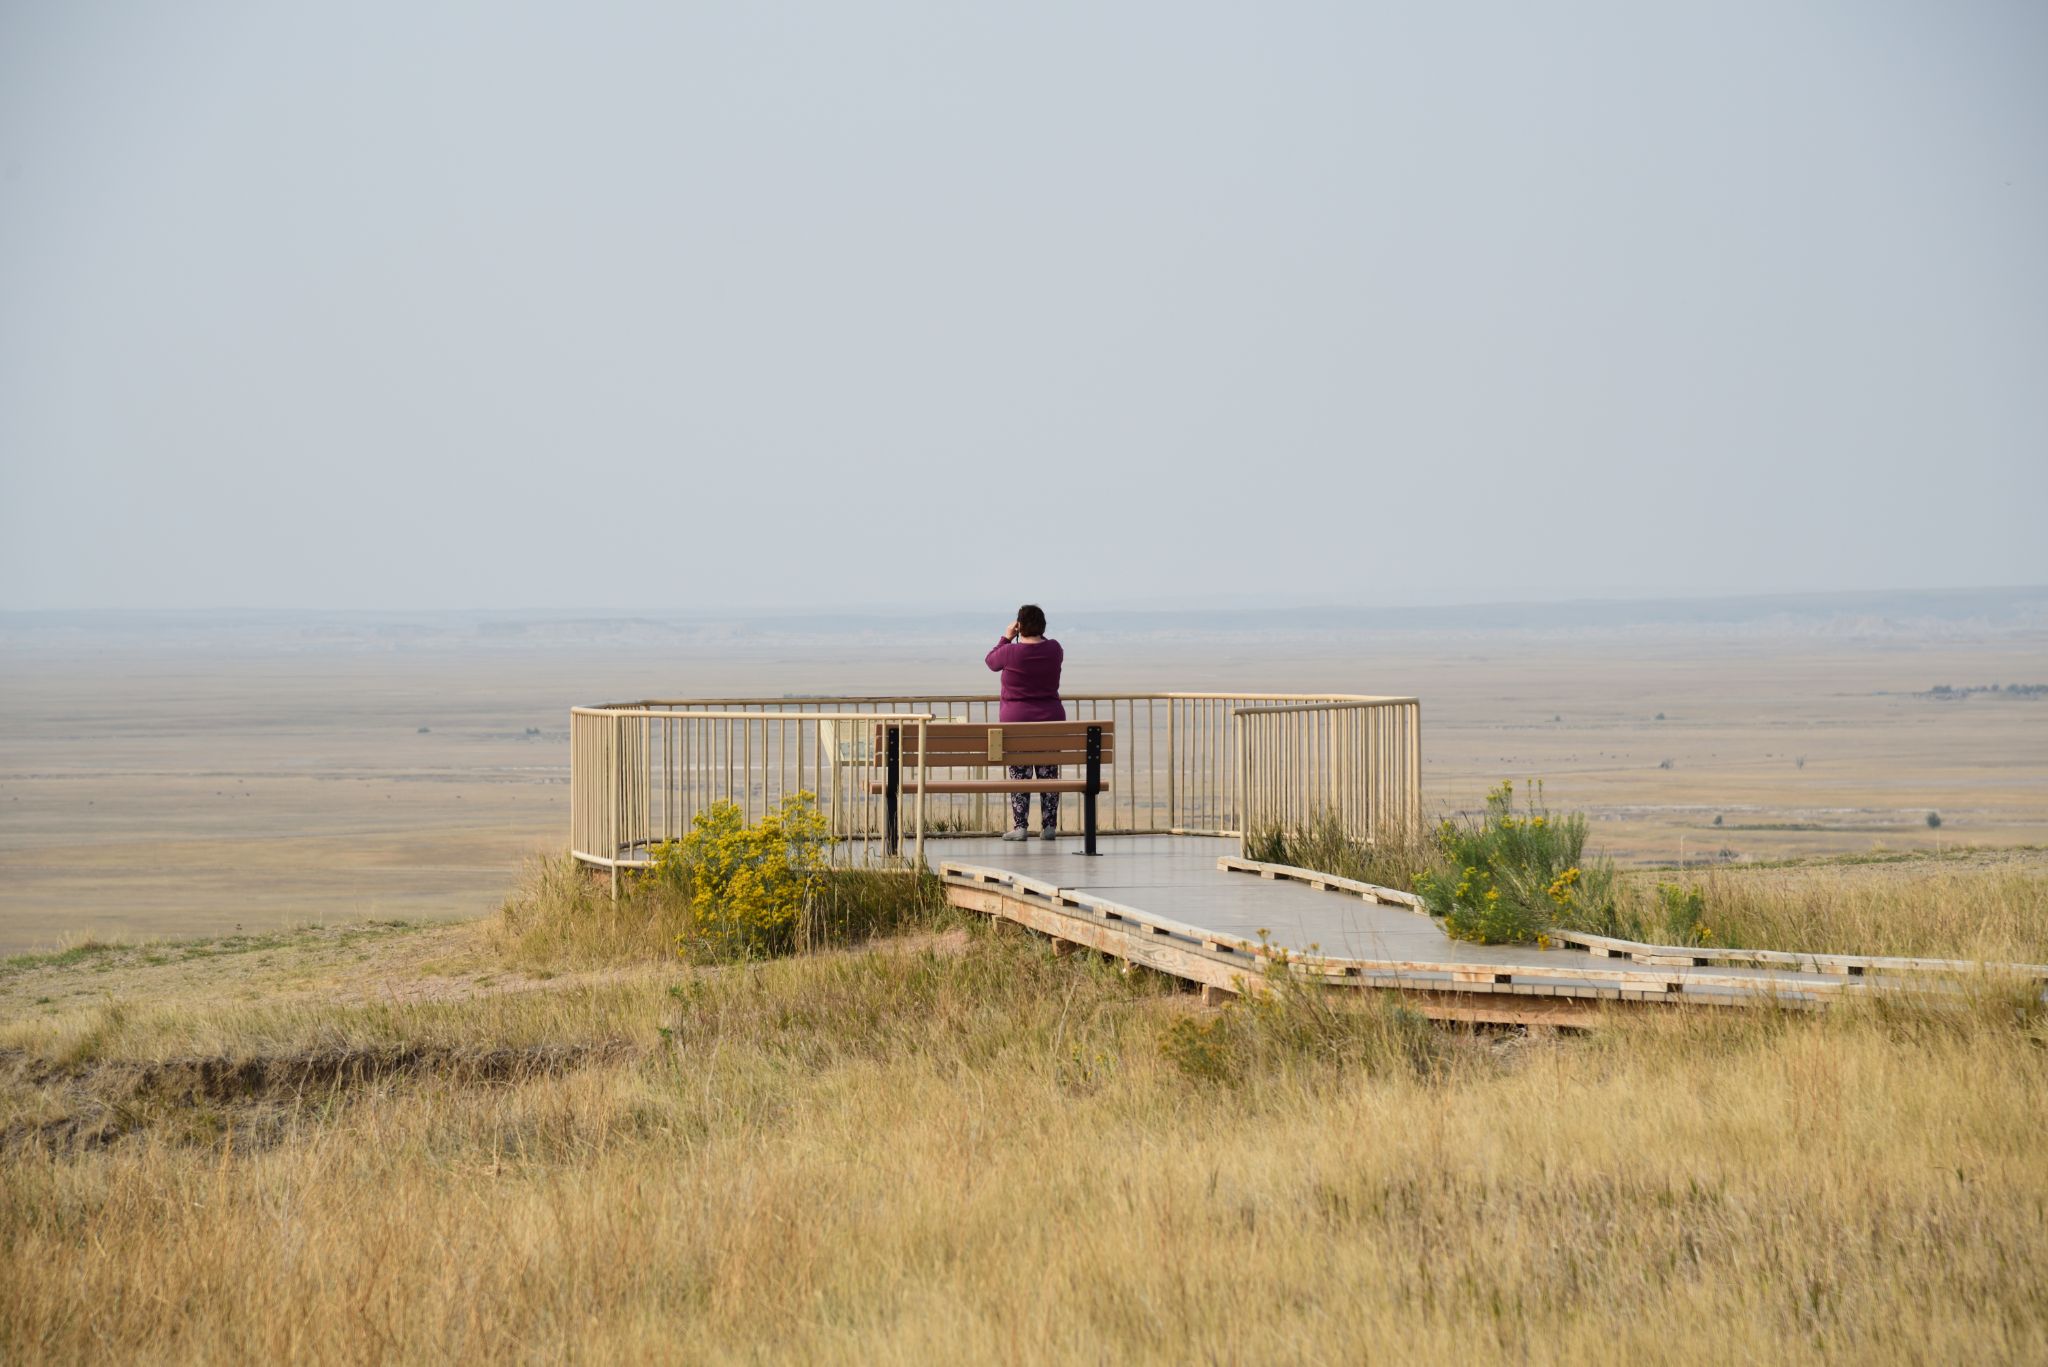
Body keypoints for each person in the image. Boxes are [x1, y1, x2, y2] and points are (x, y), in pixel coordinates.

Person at [985, 604, 1064, 840]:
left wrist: (1006, 637)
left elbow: (991, 662)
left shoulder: (1011, 652)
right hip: (1051, 724)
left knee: (1020, 774)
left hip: (1016, 726)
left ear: (1020, 626)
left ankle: (1020, 827)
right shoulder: (1055, 649)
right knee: (1048, 775)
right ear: (1043, 626)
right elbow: (1044, 645)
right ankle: (1049, 826)